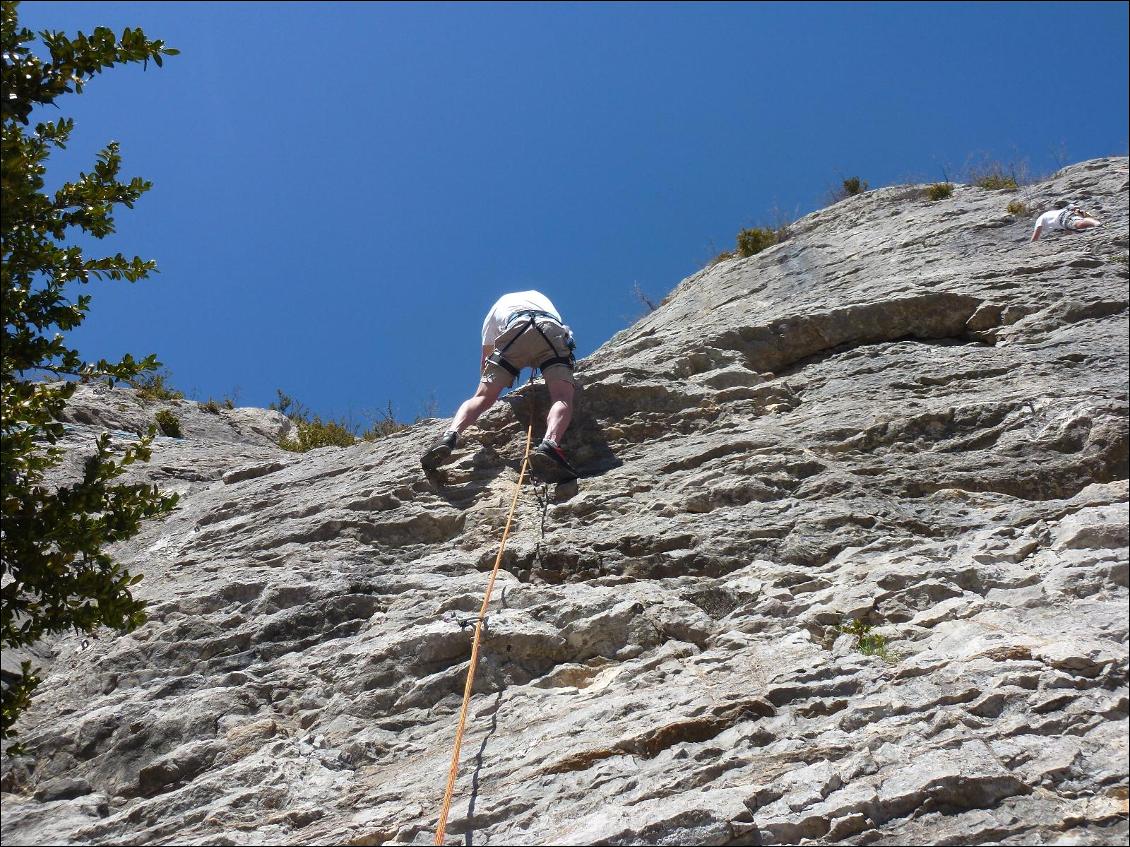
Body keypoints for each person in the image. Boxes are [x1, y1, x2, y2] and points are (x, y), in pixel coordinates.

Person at [421, 290, 579, 481]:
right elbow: (550, 331)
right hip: (549, 328)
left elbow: (486, 357)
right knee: (562, 396)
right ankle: (550, 443)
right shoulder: (540, 297)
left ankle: (450, 436)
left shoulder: (497, 308)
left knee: (481, 397)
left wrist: (495, 380)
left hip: (516, 328)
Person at [1030, 203, 1101, 242]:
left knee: (1078, 224)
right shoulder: (1050, 214)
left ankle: (1096, 223)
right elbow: (1067, 229)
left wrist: (1031, 247)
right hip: (1065, 216)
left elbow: (1035, 238)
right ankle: (1094, 223)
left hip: (1062, 217)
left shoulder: (1039, 219)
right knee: (1075, 225)